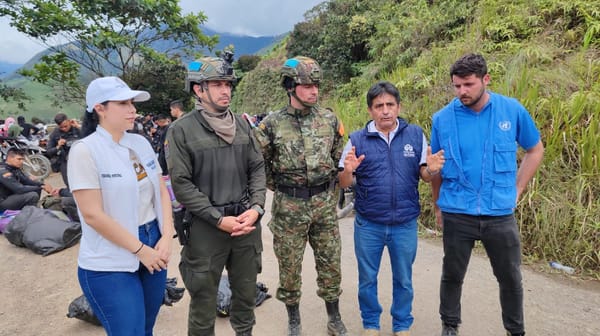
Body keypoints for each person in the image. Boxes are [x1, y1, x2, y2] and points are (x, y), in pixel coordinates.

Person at [430, 53, 544, 336]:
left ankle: (515, 330)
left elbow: (535, 149)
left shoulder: (511, 110)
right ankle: (450, 326)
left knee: (510, 278)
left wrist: (518, 188)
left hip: (499, 213)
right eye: (456, 86)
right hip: (458, 209)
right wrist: (438, 206)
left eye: (468, 85)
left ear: (485, 80)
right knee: (452, 275)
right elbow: (437, 168)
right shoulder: (442, 119)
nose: (462, 92)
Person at [166, 55, 266, 336]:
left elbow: (257, 167)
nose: (226, 90)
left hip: (246, 225)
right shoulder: (181, 130)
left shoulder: (243, 125)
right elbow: (181, 183)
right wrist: (217, 219)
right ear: (199, 89)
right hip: (206, 229)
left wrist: (257, 207)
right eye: (218, 84)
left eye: (228, 84)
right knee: (204, 300)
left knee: (245, 295)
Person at [67, 76, 174, 335]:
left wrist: (167, 234)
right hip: (110, 259)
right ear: (99, 108)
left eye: (132, 103)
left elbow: (160, 189)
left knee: (146, 327)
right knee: (129, 330)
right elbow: (92, 215)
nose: (133, 109)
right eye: (123, 103)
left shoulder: (139, 143)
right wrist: (140, 249)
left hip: (153, 241)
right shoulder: (85, 151)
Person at [338, 81, 445, 336]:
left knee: (404, 279)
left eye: (390, 105)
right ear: (370, 110)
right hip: (369, 223)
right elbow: (343, 182)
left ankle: (402, 324)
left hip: (405, 223)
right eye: (379, 106)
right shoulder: (356, 140)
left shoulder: (415, 135)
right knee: (367, 279)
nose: (385, 111)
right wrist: (348, 170)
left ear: (398, 107)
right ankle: (371, 324)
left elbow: (424, 175)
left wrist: (430, 169)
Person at [253, 56, 347, 336]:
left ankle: (334, 317)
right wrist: (285, 188)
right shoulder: (270, 125)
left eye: (316, 85)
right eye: (307, 85)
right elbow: (260, 165)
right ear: (290, 86)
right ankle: (294, 321)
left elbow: (338, 158)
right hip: (288, 207)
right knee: (289, 267)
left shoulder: (329, 120)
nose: (314, 91)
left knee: (331, 263)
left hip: (324, 206)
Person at [0, 147, 55, 211]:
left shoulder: (14, 168)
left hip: (12, 196)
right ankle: (31, 214)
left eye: (22, 159)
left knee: (36, 185)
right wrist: (41, 187)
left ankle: (32, 210)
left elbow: (27, 181)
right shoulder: (3, 171)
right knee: (32, 195)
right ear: (10, 158)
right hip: (3, 201)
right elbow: (19, 189)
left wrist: (42, 184)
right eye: (19, 159)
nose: (22, 162)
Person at [46, 113, 82, 187]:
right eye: (61, 127)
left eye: (66, 126)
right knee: (70, 185)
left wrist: (78, 127)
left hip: (81, 160)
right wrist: (58, 146)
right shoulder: (55, 133)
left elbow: (91, 138)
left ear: (69, 121)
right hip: (65, 161)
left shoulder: (77, 128)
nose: (64, 129)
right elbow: (49, 151)